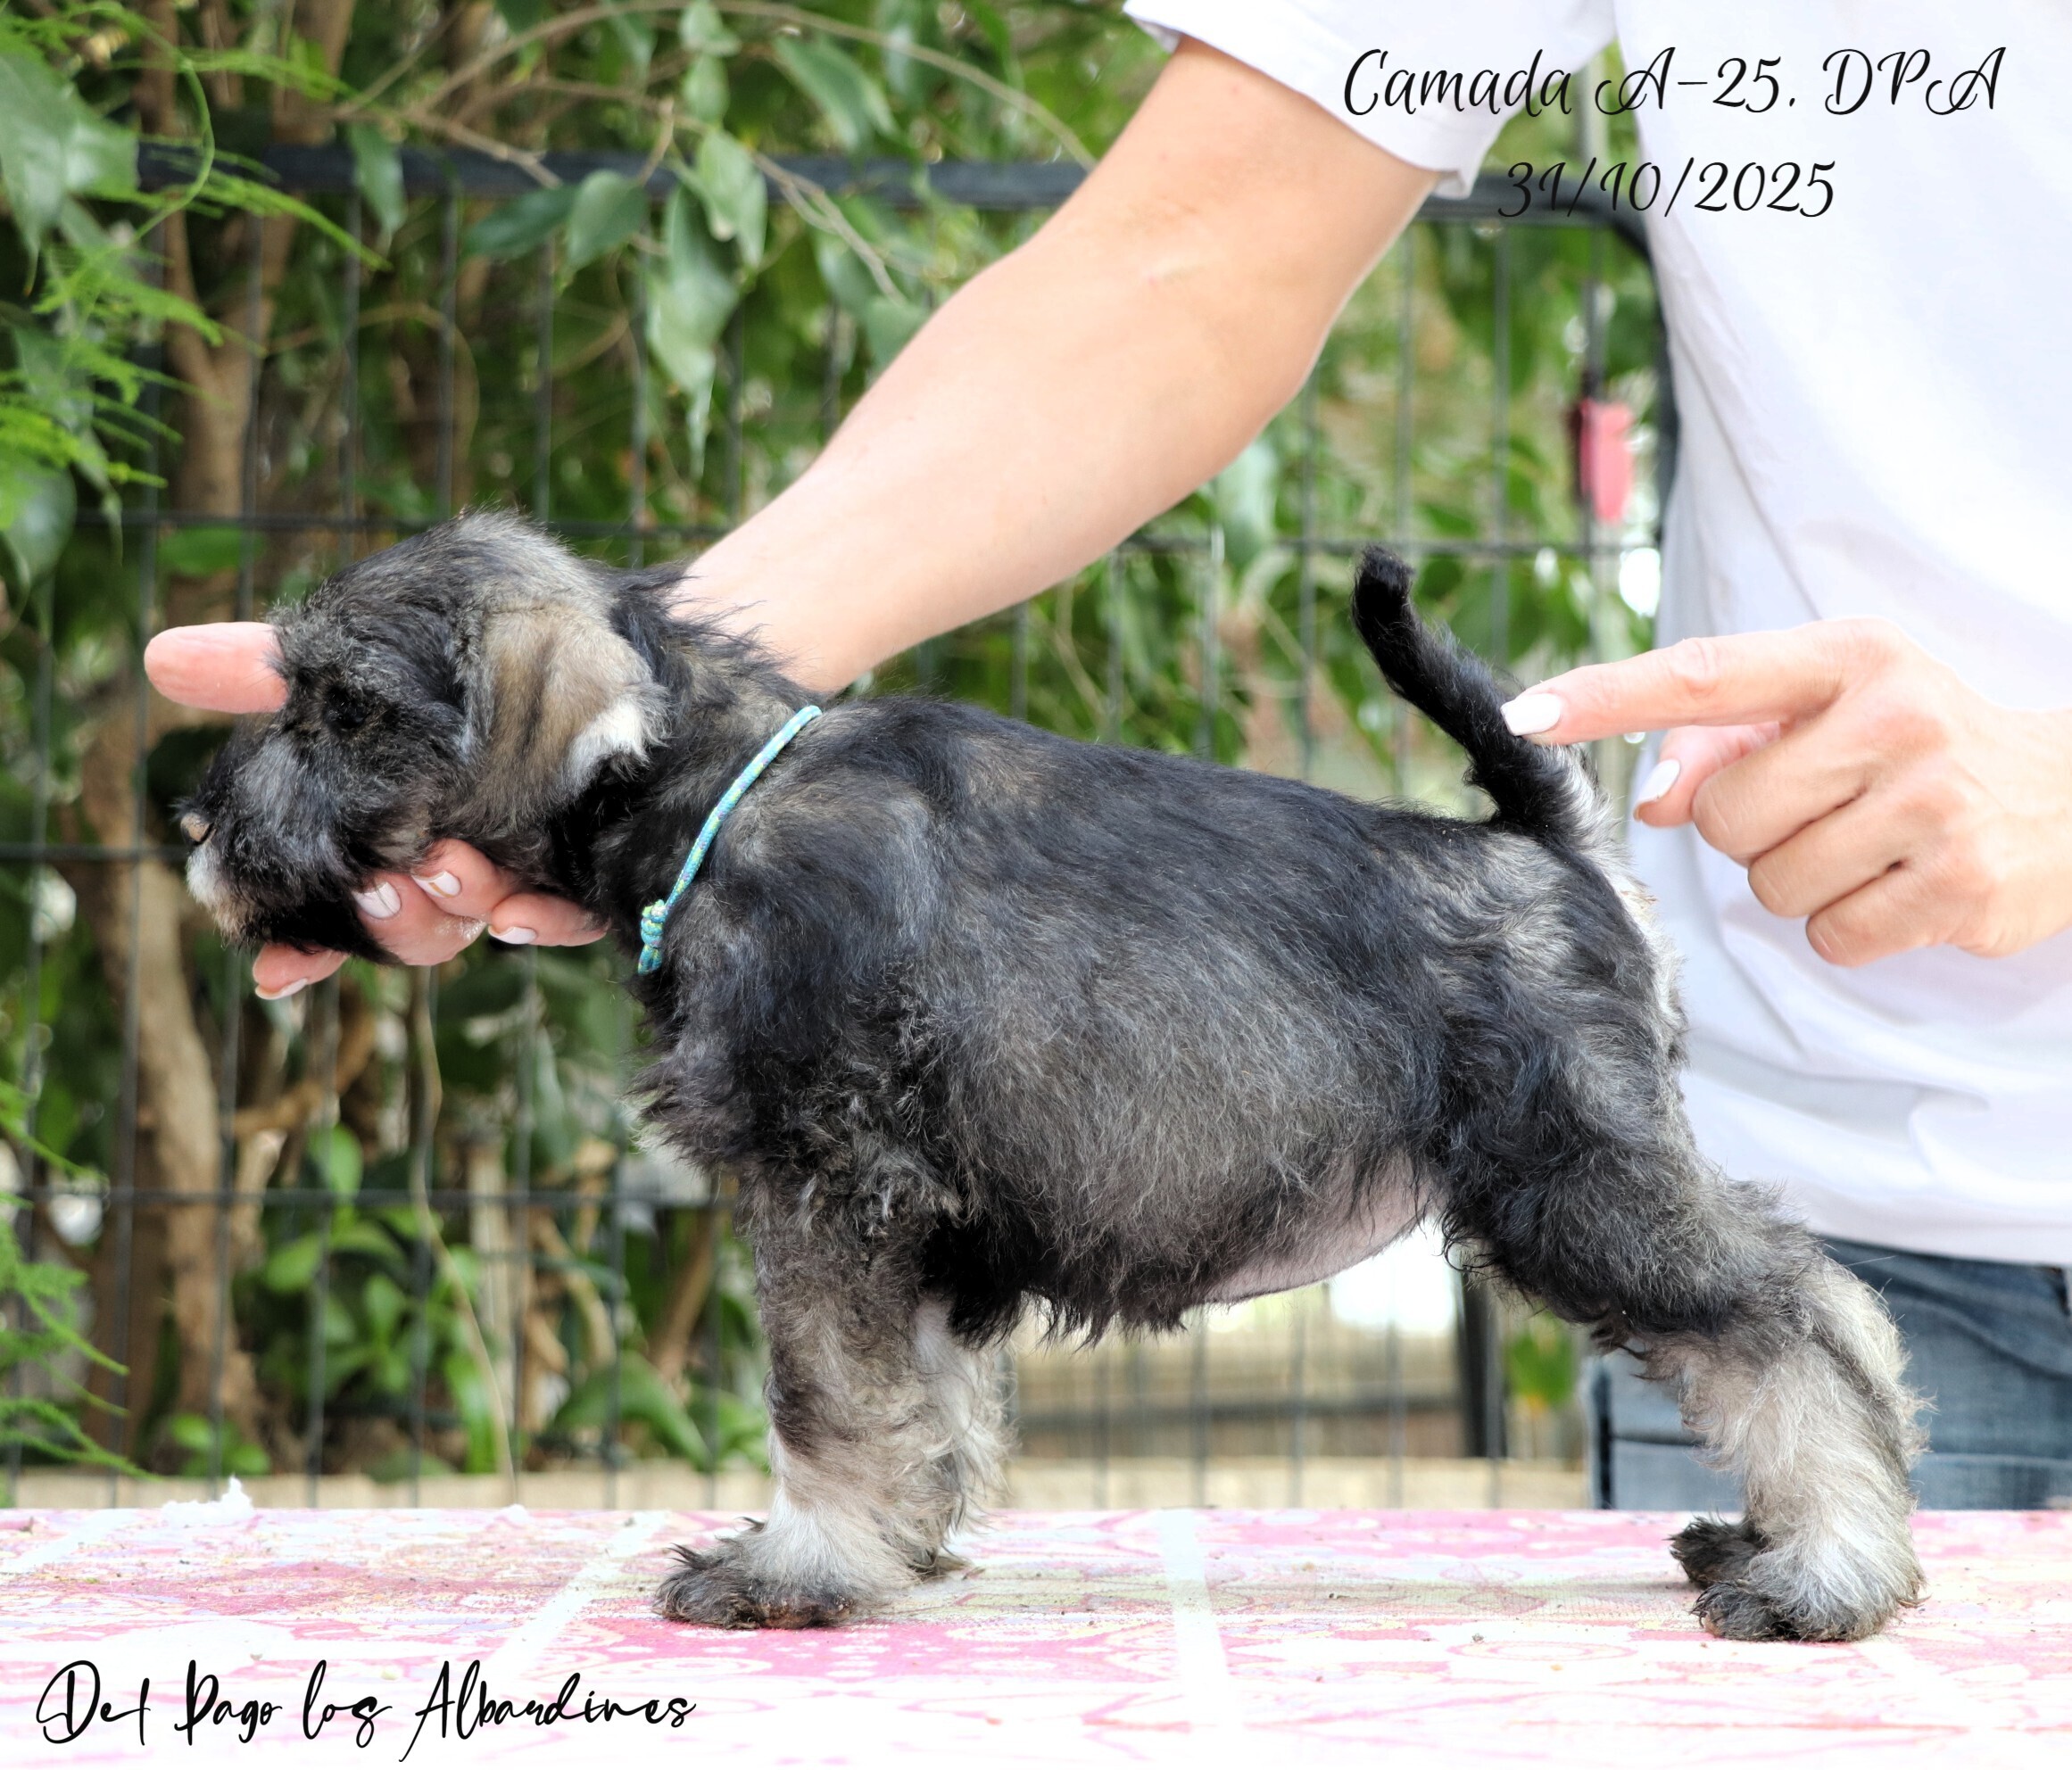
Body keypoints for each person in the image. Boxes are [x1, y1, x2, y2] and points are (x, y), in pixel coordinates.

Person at [147, 6, 2072, 1505]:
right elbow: (1187, 261)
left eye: (346, 720)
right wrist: (677, 708)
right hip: (1822, 1108)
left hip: (1650, 1032)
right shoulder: (700, 813)